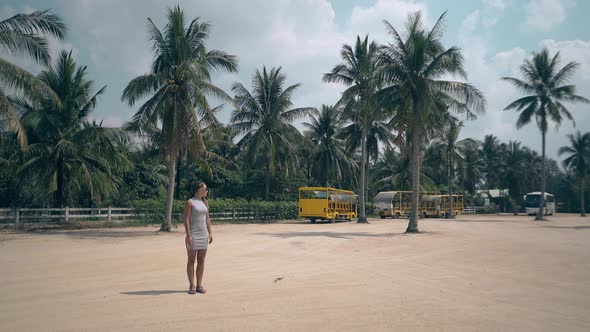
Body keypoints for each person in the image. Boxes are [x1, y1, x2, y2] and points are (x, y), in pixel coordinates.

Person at [184, 181, 213, 294]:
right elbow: (186, 220)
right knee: (191, 261)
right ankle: (192, 285)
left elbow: (207, 219)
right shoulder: (190, 202)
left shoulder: (205, 202)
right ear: (199, 189)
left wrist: (210, 233)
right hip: (193, 234)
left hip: (203, 234)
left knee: (201, 261)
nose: (206, 191)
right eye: (205, 189)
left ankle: (199, 285)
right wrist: (188, 235)